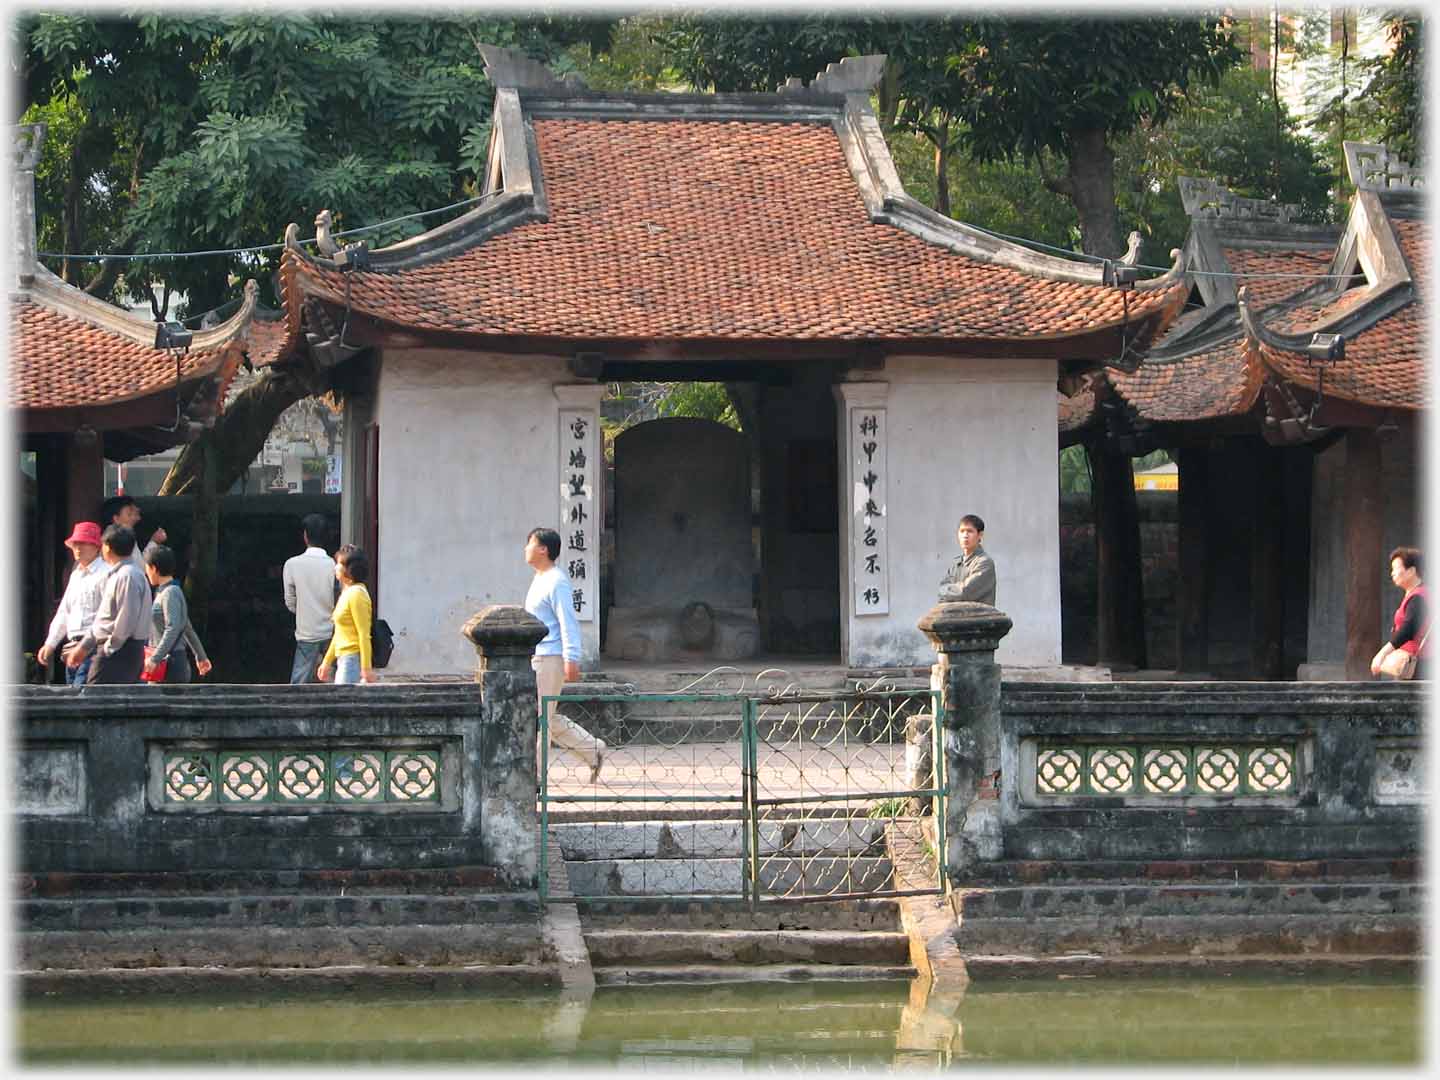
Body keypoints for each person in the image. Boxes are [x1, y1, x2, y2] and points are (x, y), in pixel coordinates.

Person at [524, 526, 605, 781]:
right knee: (543, 714)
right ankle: (593, 750)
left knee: (540, 719)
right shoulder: (540, 578)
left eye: (530, 544)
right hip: (538, 656)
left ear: (543, 549)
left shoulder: (556, 581)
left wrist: (571, 658)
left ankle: (535, 778)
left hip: (550, 658)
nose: (525, 549)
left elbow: (568, 621)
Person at [62, 524, 151, 684]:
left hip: (119, 649)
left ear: (108, 547)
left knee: (95, 699)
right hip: (119, 648)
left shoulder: (126, 575)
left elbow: (126, 619)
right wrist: (85, 647)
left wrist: (109, 647)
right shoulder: (125, 574)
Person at [37, 521, 109, 686]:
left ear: (97, 547)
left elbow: (107, 616)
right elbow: (65, 612)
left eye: (84, 543)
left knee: (81, 697)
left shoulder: (106, 574)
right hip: (72, 647)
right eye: (76, 543)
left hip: (94, 647)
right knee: (73, 697)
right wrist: (50, 643)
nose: (78, 548)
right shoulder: (76, 575)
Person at [143, 545, 212, 683]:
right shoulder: (163, 592)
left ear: (154, 568)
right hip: (166, 662)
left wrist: (155, 658)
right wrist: (201, 656)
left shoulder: (170, 593)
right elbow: (186, 627)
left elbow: (173, 627)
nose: (146, 573)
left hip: (170, 664)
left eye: (147, 568)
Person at [283, 513, 335, 684]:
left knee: (298, 686)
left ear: (305, 535)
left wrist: (305, 612)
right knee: (334, 684)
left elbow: (290, 602)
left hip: (306, 633)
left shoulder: (292, 564)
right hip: (332, 633)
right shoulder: (334, 565)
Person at [317, 544, 375, 685]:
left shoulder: (356, 594)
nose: (336, 567)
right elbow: (339, 633)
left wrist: (366, 667)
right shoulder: (347, 593)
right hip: (343, 657)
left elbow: (363, 633)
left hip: (351, 659)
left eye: (339, 564)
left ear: (350, 569)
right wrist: (327, 662)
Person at [1372, 547, 1429, 680]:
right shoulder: (1415, 594)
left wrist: (1382, 653)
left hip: (1418, 664)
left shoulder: (1420, 595)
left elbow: (1409, 629)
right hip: (1410, 663)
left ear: (1411, 571)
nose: (1392, 573)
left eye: (1395, 568)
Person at [940, 513, 997, 605]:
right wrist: (946, 591)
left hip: (979, 618)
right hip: (955, 617)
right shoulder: (956, 564)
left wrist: (947, 591)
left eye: (970, 531)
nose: (965, 535)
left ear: (980, 535)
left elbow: (965, 592)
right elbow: (941, 593)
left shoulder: (984, 562)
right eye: (962, 531)